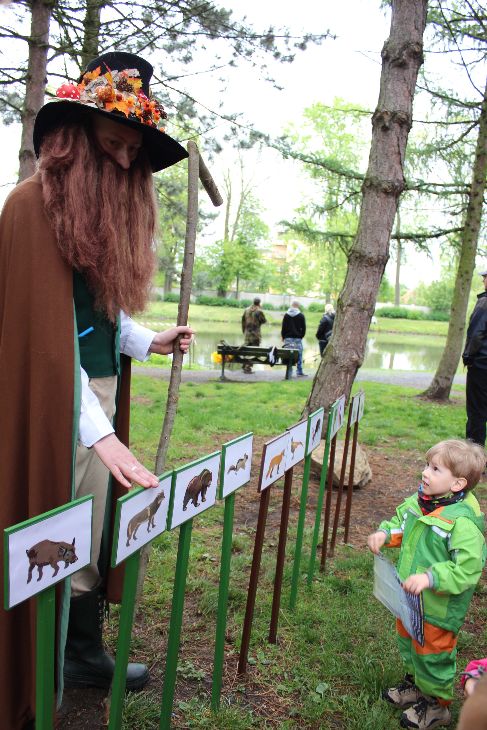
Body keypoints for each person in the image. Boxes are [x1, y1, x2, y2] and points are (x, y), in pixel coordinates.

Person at [0, 51, 194, 729]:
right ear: (74, 137)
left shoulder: (91, 209)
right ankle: (38, 658)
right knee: (56, 527)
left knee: (90, 525)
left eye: (133, 152)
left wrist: (144, 340)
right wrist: (99, 431)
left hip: (93, 398)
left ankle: (78, 651)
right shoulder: (30, 207)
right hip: (53, 405)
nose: (123, 161)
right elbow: (43, 341)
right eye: (113, 144)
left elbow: (91, 310)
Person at [367, 439, 486, 730]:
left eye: (435, 469)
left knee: (433, 655)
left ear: (457, 484)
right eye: (426, 465)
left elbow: (467, 569)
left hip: (437, 609)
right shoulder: (422, 502)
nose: (425, 473)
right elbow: (402, 523)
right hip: (409, 599)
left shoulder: (462, 524)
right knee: (409, 642)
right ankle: (415, 684)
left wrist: (431, 577)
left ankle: (437, 705)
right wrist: (385, 534)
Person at [463, 270, 487, 446]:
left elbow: (476, 333)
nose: (483, 280)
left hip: (481, 366)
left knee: (476, 412)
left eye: (485, 278)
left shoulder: (484, 302)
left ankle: (473, 456)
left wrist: (468, 358)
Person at [241, 296, 267, 374]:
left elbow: (243, 321)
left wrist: (244, 331)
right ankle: (247, 368)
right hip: (255, 335)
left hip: (247, 334)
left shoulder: (246, 310)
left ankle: (244, 365)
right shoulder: (259, 311)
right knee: (253, 352)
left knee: (246, 350)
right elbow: (264, 321)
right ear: (259, 303)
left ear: (253, 302)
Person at [281, 300, 307, 377]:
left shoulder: (286, 315)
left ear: (292, 305)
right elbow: (304, 328)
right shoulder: (301, 315)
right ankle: (299, 371)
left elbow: (283, 327)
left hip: (288, 338)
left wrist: (283, 336)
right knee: (299, 354)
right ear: (298, 306)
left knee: (288, 354)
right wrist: (301, 336)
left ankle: (289, 371)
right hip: (297, 338)